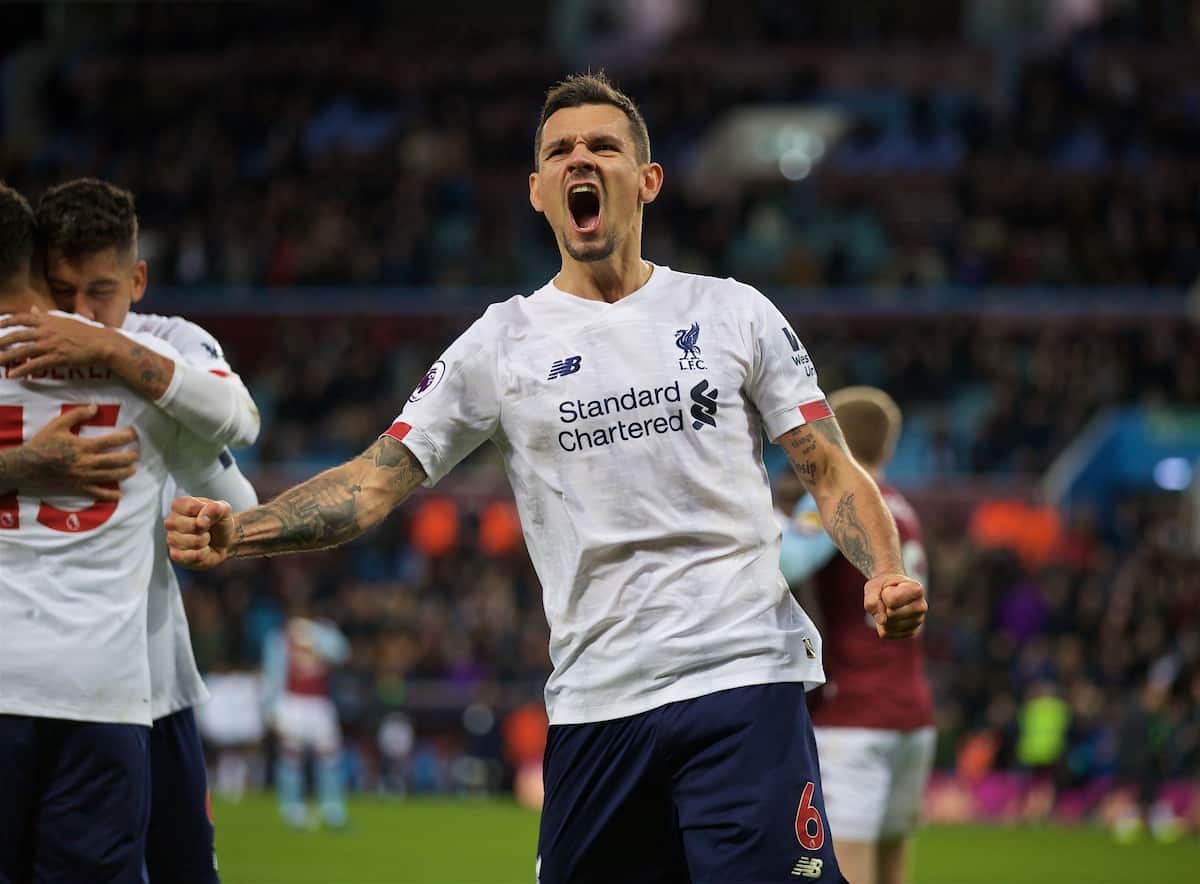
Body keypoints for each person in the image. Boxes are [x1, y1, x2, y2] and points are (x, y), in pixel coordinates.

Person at [166, 72, 928, 884]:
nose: (580, 161)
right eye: (559, 151)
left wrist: (883, 569)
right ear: (537, 191)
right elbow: (374, 481)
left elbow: (828, 466)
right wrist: (242, 531)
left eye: (603, 146)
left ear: (647, 180)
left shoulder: (733, 311)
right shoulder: (501, 343)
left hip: (741, 681)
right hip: (597, 703)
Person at [0, 177, 262, 884]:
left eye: (100, 294)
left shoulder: (162, 349)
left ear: (137, 280)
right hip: (90, 680)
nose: (80, 314)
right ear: (34, 275)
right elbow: (238, 458)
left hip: (152, 672)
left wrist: (219, 523)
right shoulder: (72, 365)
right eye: (61, 291)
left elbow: (236, 451)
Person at [779, 387, 935, 884]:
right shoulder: (901, 511)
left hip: (853, 716)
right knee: (893, 868)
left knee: (849, 869)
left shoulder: (836, 504)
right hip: (912, 712)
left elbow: (785, 562)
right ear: (888, 448)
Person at [262, 616, 351, 829]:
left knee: (329, 757)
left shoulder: (323, 635)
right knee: (291, 756)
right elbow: (272, 673)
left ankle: (332, 810)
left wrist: (317, 634)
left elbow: (342, 653)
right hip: (292, 702)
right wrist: (270, 708)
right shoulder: (279, 639)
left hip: (319, 703)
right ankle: (291, 810)